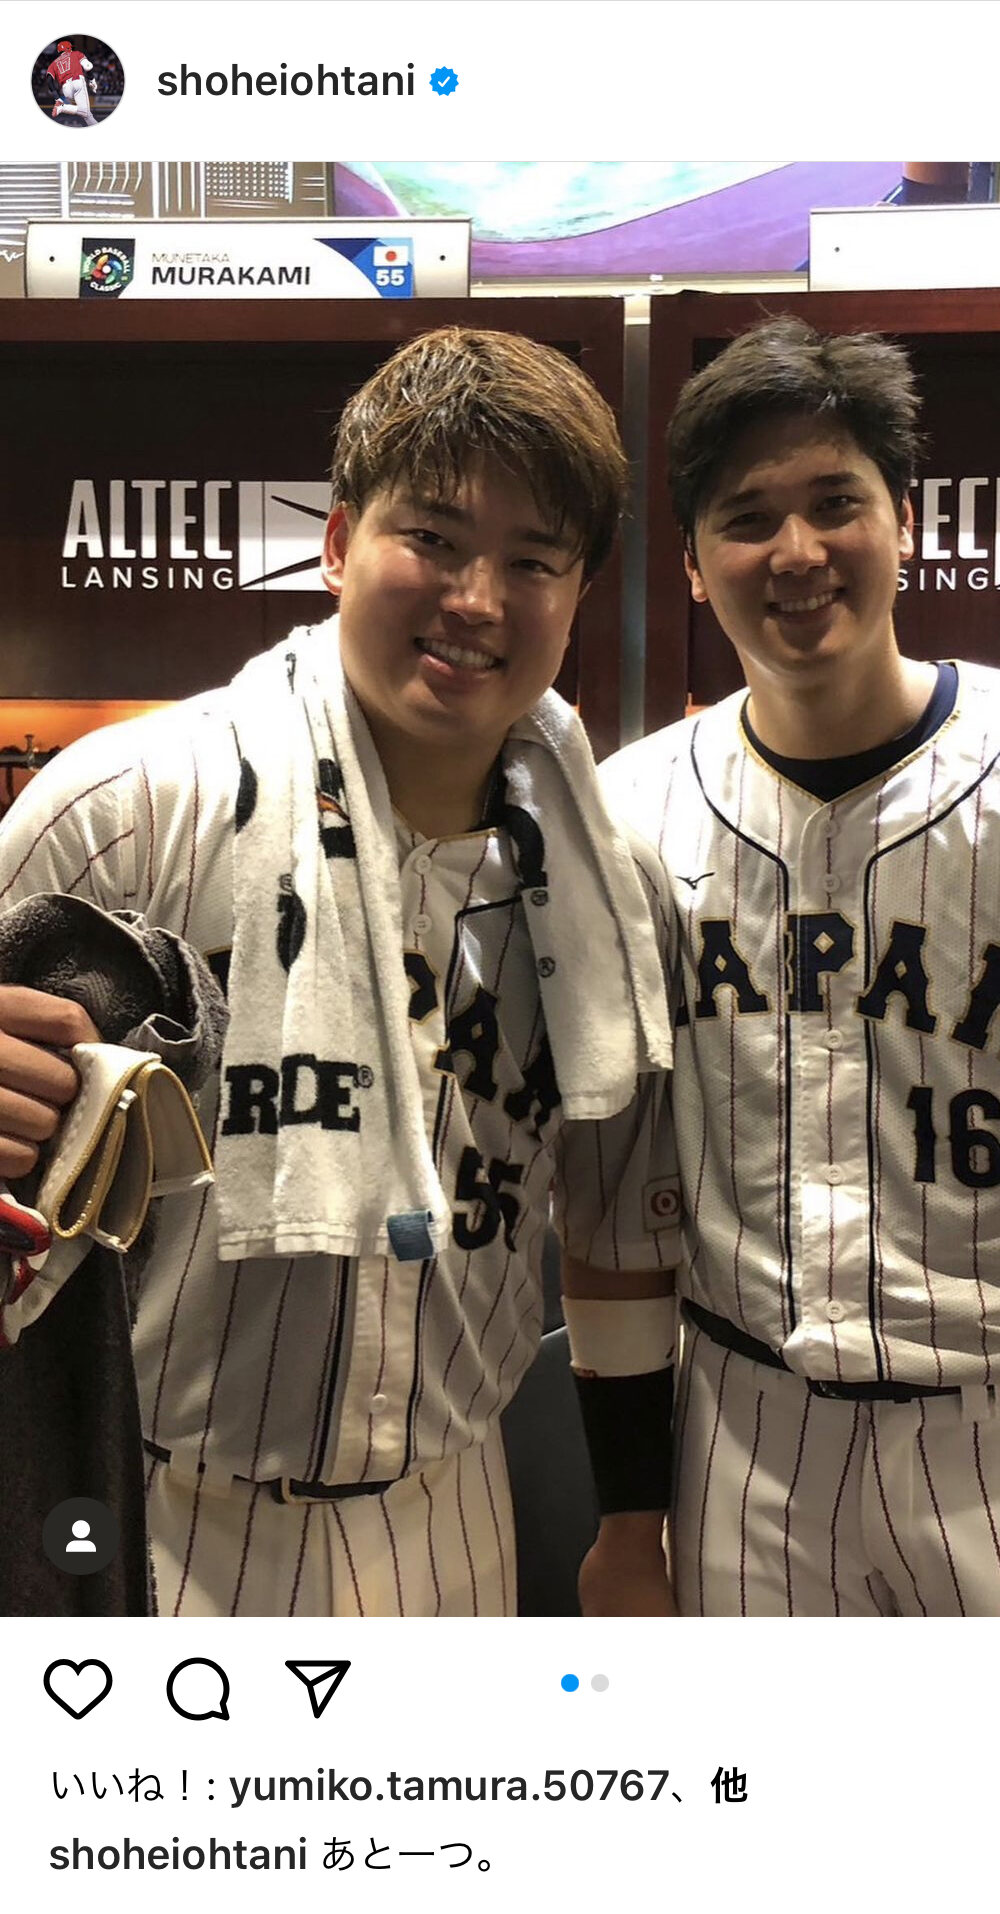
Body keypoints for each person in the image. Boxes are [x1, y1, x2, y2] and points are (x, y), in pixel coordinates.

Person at [0, 327, 676, 1617]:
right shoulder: (131, 808)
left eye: (532, 560)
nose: (476, 598)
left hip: (449, 1514)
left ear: (578, 590)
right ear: (338, 541)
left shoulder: (608, 881)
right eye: (433, 537)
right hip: (145, 1508)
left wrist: (634, 1523)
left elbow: (610, 1224)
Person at [566, 314, 1000, 1618]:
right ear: (692, 568)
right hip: (749, 1436)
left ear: (905, 518)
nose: (795, 552)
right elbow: (612, 1200)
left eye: (834, 502)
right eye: (747, 519)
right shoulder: (626, 816)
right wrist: (628, 1514)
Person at [47, 41, 98, 125]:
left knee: (87, 115)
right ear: (69, 48)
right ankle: (62, 107)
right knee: (85, 111)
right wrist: (92, 79)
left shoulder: (53, 63)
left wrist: (57, 98)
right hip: (77, 82)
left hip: (65, 89)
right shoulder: (76, 53)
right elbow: (87, 66)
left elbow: (49, 81)